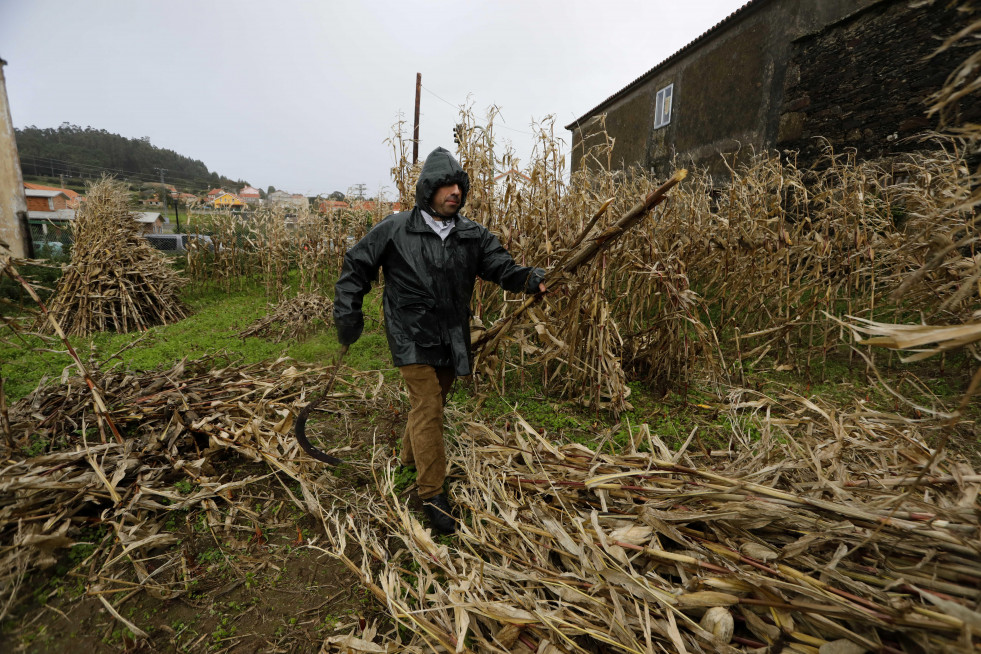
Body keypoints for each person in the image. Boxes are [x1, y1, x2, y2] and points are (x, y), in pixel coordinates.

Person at [333, 147, 545, 534]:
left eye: (458, 185)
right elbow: (356, 265)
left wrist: (530, 279)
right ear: (428, 189)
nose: (454, 192)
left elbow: (502, 267)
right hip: (408, 333)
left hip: (451, 336)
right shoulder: (396, 228)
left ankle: (408, 458)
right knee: (429, 405)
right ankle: (432, 493)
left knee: (432, 403)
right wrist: (348, 313)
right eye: (445, 185)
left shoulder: (472, 235)